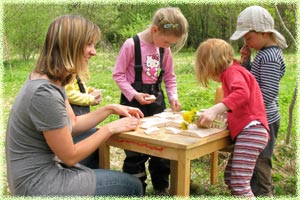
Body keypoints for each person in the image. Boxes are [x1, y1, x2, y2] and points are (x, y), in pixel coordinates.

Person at [5, 15, 144, 196]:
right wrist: (109, 128)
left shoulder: (52, 81)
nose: (93, 52)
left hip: (44, 175)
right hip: (37, 186)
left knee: (93, 143)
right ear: (69, 45)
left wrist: (110, 109)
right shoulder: (44, 93)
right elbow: (70, 156)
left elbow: (73, 124)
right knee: (133, 186)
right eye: (89, 45)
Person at [112, 7, 188, 195]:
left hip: (157, 104)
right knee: (135, 151)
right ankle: (136, 189)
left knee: (162, 147)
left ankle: (161, 186)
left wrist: (173, 97)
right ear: (155, 30)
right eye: (167, 41)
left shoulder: (165, 50)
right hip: (133, 104)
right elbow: (118, 75)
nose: (168, 46)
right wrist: (134, 94)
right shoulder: (131, 45)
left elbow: (169, 77)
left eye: (171, 44)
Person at [194, 38, 269, 197]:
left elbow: (241, 94)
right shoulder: (236, 71)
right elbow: (239, 104)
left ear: (212, 64)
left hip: (252, 132)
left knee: (239, 184)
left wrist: (215, 109)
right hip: (252, 132)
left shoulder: (232, 72)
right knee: (230, 177)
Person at [230, 5, 287, 197]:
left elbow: (268, 93)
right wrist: (246, 62)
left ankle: (264, 193)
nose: (247, 43)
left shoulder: (270, 57)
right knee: (252, 162)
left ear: (264, 33)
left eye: (248, 38)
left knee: (261, 162)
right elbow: (251, 80)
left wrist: (244, 103)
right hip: (259, 117)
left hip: (266, 120)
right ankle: (252, 192)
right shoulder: (263, 53)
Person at [65, 76, 102, 169]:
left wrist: (89, 91)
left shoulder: (76, 72)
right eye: (85, 60)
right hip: (75, 117)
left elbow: (78, 88)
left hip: (82, 118)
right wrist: (89, 99)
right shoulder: (67, 73)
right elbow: (67, 93)